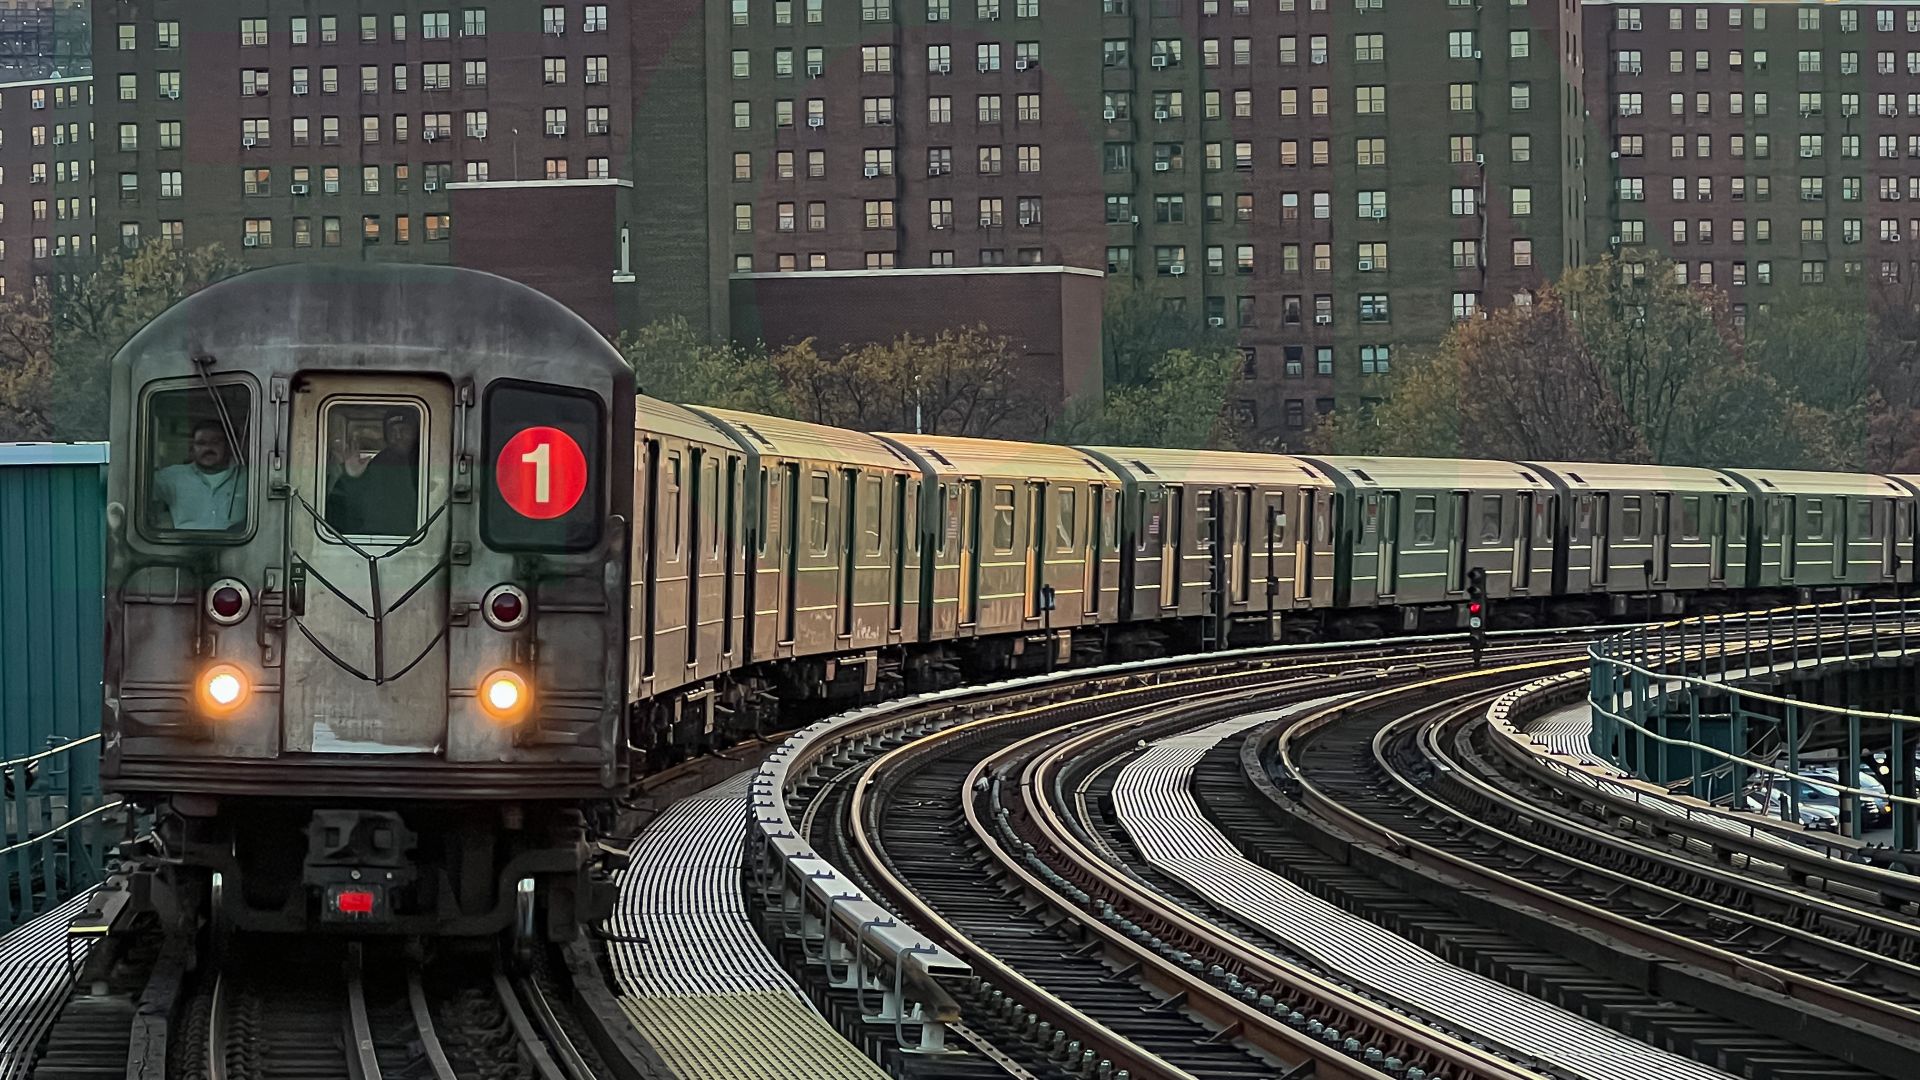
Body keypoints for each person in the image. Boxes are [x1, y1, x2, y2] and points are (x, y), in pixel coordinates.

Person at [327, 409, 421, 536]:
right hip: (377, 542)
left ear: (417, 433)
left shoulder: (428, 461)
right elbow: (339, 514)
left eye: (404, 430)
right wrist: (351, 477)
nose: (398, 436)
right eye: (392, 432)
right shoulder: (377, 465)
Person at [152, 421, 245, 531]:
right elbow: (135, 490)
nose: (207, 448)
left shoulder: (248, 478)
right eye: (201, 443)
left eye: (215, 442)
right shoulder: (173, 477)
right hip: (184, 546)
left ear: (229, 445)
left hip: (237, 547)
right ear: (192, 447)